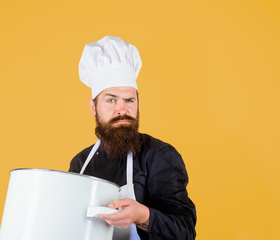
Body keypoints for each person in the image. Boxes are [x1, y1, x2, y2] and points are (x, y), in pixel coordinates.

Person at [69, 36, 196, 240]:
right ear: (93, 108)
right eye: (111, 100)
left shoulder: (159, 156)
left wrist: (143, 215)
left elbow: (185, 232)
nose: (122, 109)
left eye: (129, 100)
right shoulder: (81, 163)